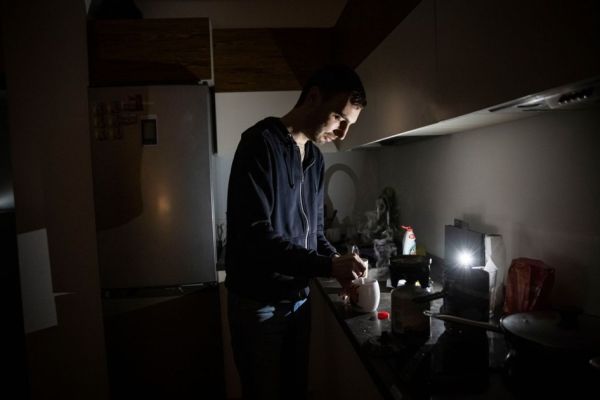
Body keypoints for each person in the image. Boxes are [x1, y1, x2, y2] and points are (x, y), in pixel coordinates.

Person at [224, 64, 367, 400]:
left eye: (349, 124)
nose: (343, 133)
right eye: (338, 118)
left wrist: (340, 262)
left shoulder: (315, 159)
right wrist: (329, 266)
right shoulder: (259, 144)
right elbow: (256, 238)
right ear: (313, 97)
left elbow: (315, 234)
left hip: (298, 300)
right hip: (259, 304)